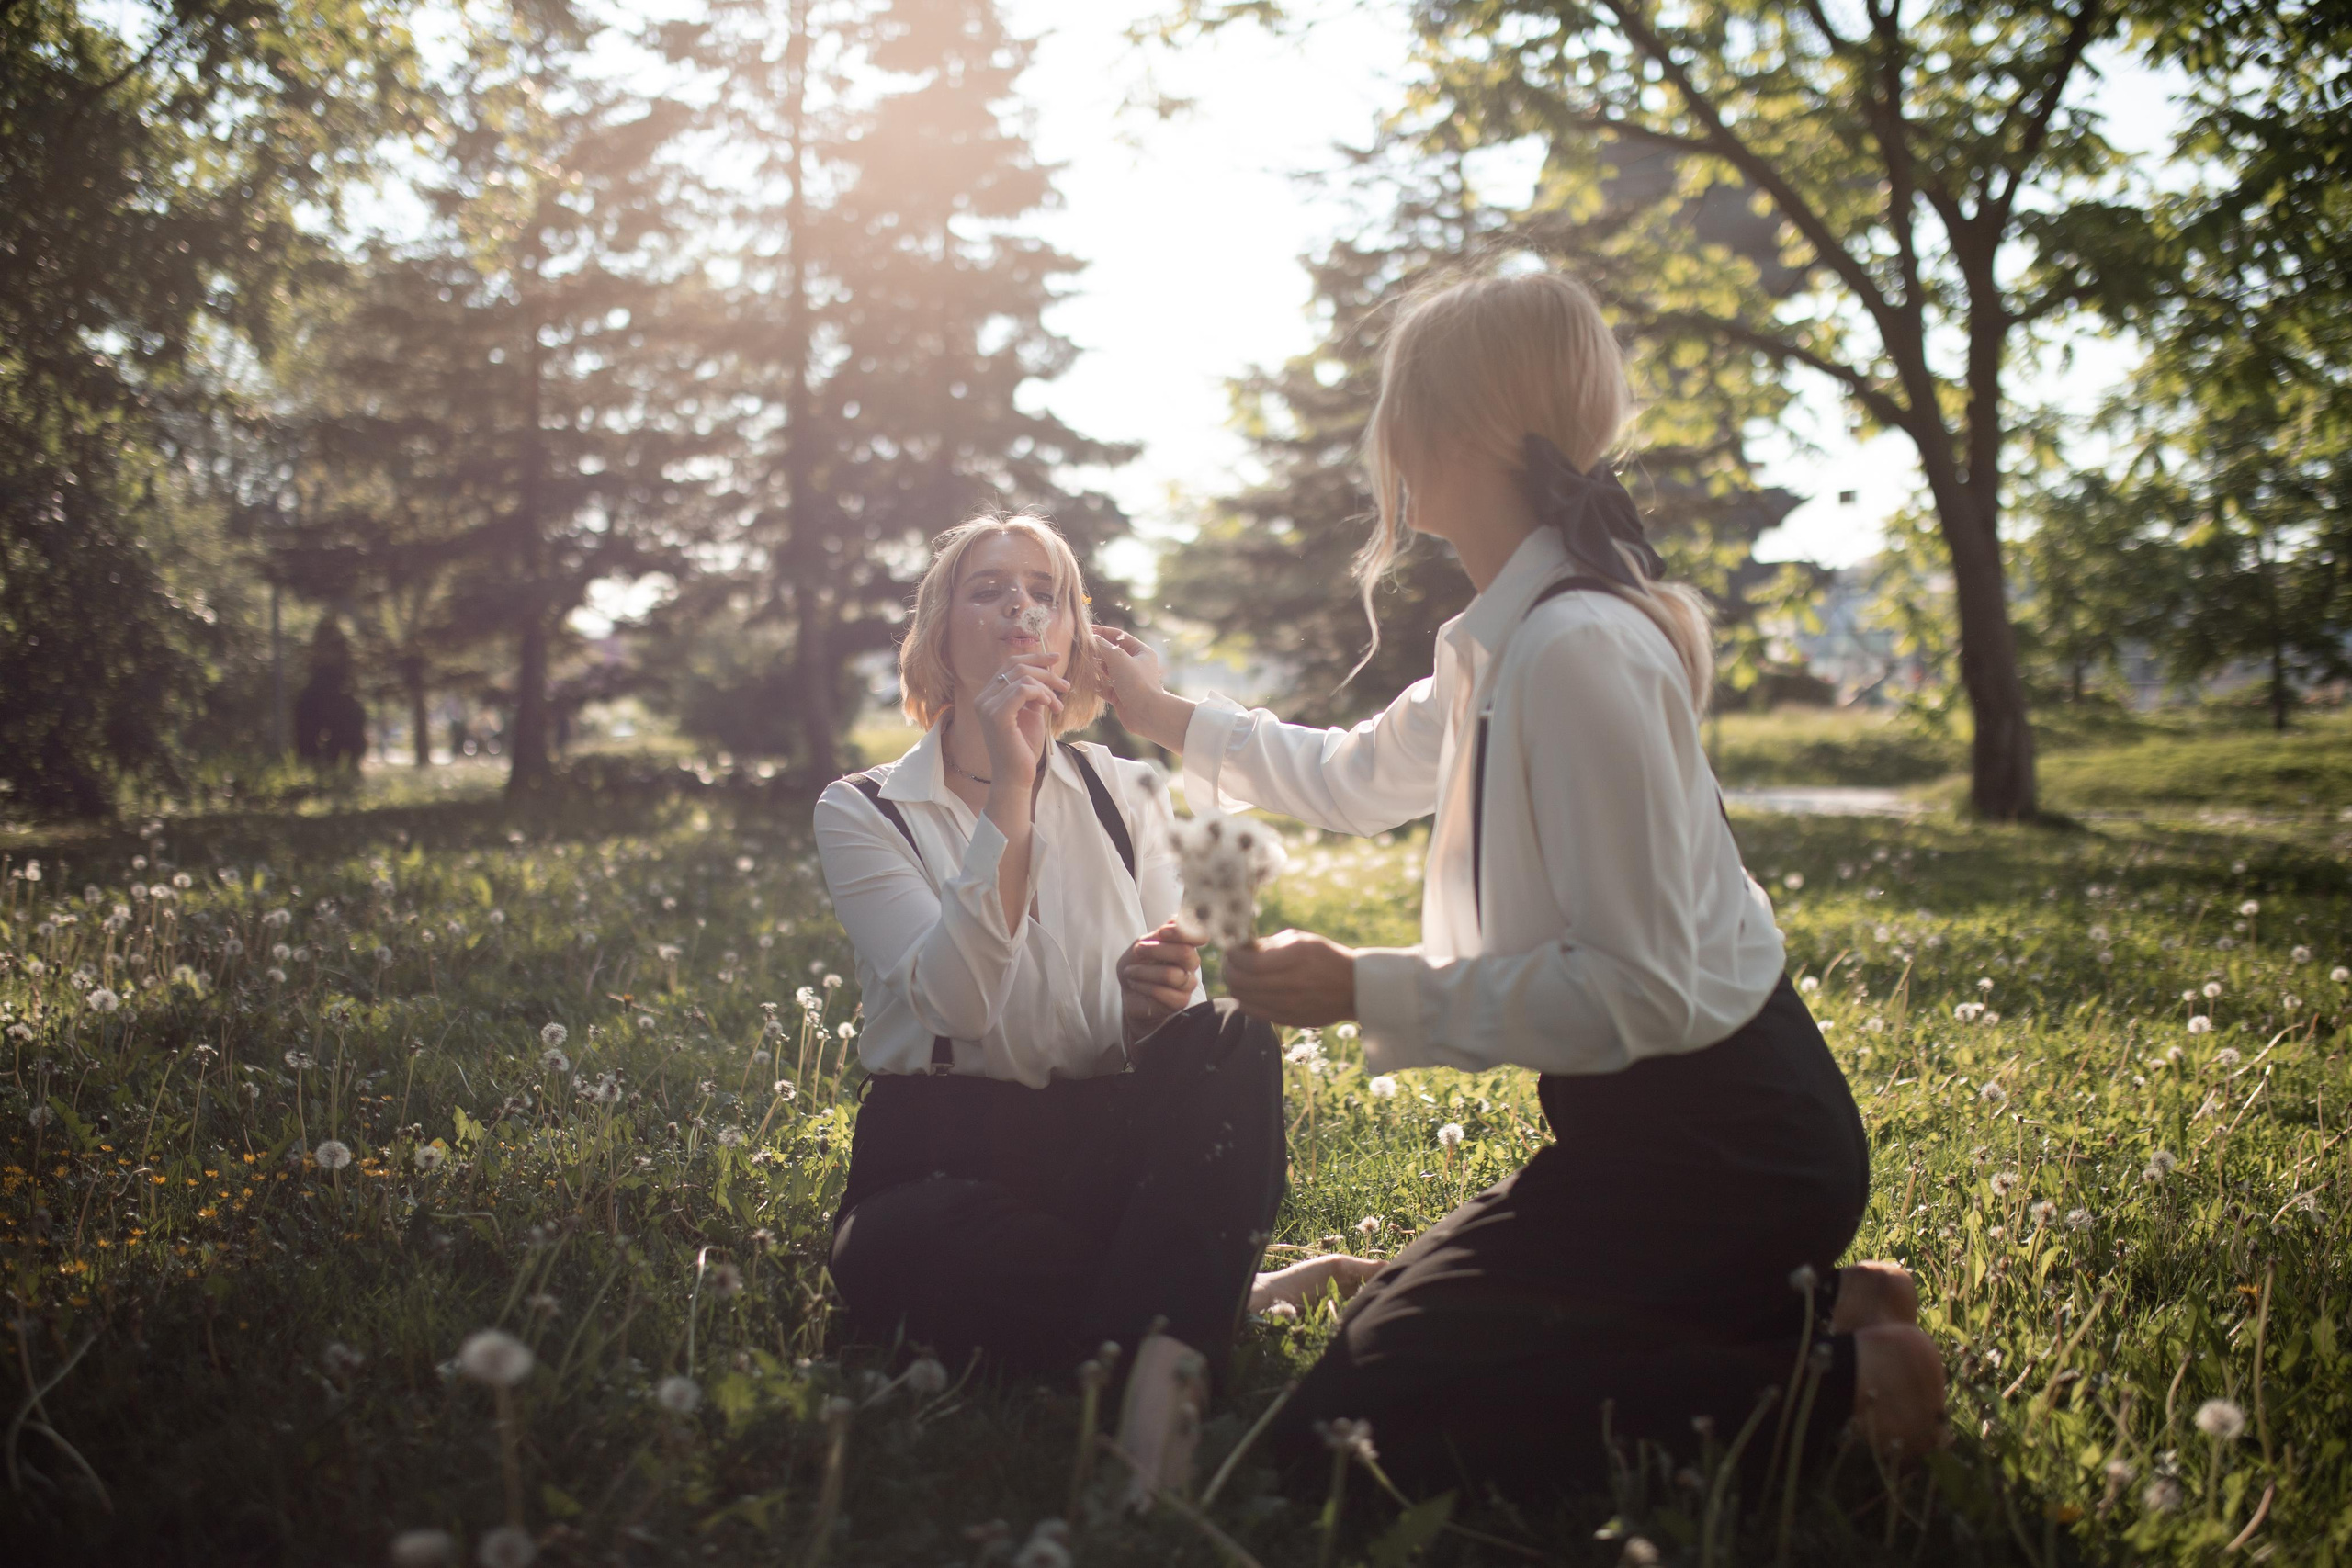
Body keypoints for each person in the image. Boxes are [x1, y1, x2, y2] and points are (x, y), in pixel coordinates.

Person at [1091, 271, 1947, 1502]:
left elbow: (1641, 990)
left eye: (1400, 408)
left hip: (1727, 1149)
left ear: (1462, 429)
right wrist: (1165, 711)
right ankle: (1810, 1298)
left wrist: (1362, 989)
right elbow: (1349, 773)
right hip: (1646, 1138)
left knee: (1354, 1451)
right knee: (1373, 1364)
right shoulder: (1504, 641)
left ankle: (1845, 1390)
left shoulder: (1578, 651)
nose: (1386, 440)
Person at [816, 513, 1303, 1499]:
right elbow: (954, 1001)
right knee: (922, 1259)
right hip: (938, 1160)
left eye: (1046, 592)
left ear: (1073, 636)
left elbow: (1173, 1034)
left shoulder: (1127, 792)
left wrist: (1151, 1008)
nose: (1021, 608)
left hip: (1100, 1142)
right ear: (939, 634)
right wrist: (1012, 794)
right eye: (989, 588)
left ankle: (1157, 1389)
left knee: (1231, 1035)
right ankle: (1208, 1299)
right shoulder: (865, 809)